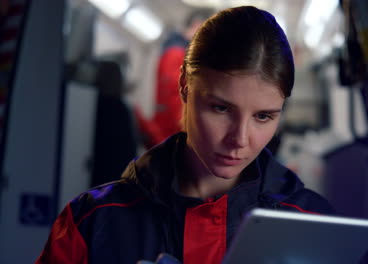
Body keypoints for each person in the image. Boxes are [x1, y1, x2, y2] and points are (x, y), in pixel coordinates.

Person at [36, 6, 334, 264]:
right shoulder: (91, 221)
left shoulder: (314, 224)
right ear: (184, 87)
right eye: (220, 108)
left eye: (263, 116)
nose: (240, 139)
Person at [134, 8, 213, 148]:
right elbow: (175, 101)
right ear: (197, 25)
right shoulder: (175, 55)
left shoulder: (179, 55)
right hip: (168, 138)